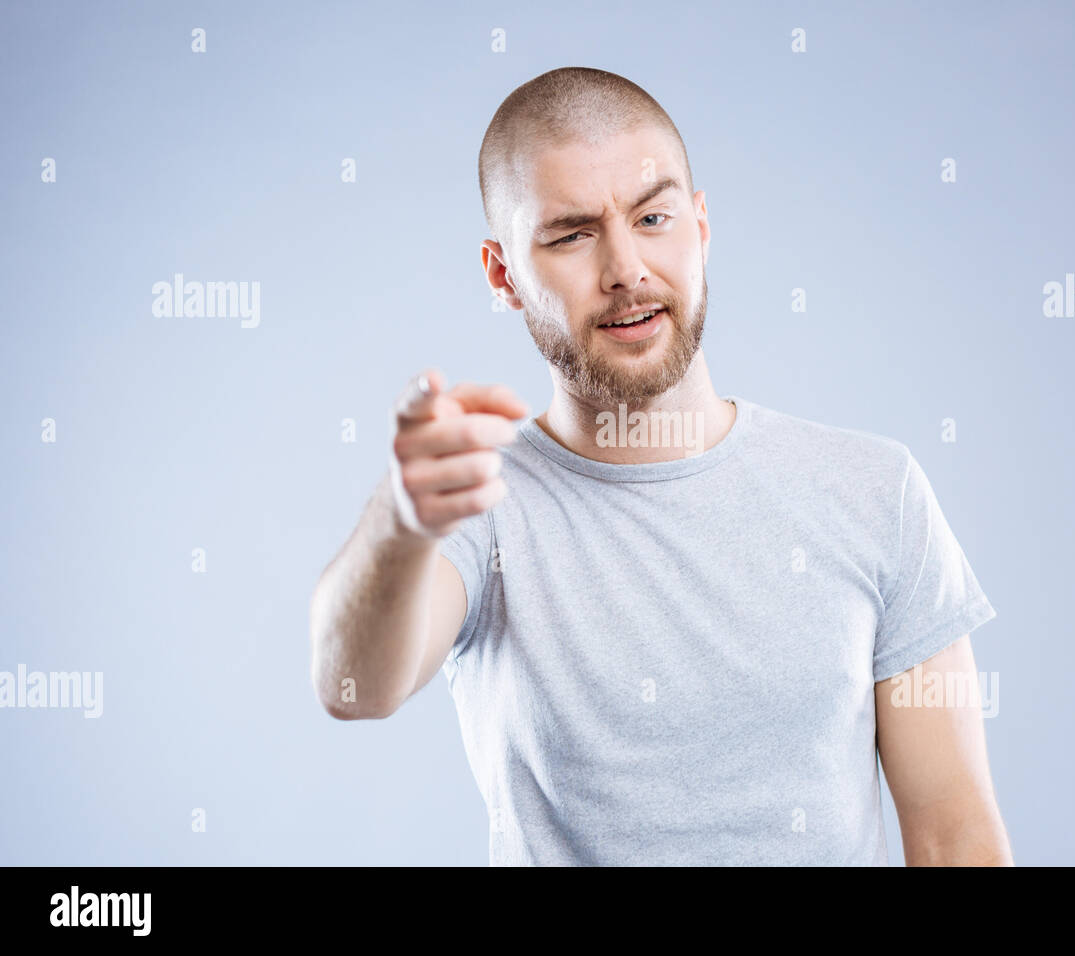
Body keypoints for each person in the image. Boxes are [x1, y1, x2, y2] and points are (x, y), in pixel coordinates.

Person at [309, 66, 1012, 866]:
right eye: (572, 233)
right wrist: (396, 523)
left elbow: (956, 836)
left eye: (653, 217)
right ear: (502, 275)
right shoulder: (480, 503)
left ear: (701, 225)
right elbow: (351, 688)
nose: (626, 268)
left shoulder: (876, 492)